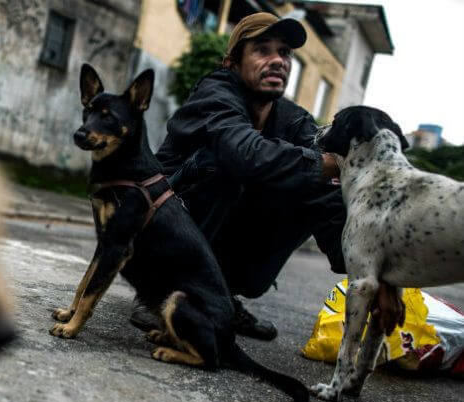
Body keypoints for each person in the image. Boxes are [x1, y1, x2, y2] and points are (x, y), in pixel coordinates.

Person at [130, 12, 346, 340]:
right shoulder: (214, 95)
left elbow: (327, 192)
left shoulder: (294, 121)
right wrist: (333, 163)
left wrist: (365, 275)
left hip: (223, 254)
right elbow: (246, 153)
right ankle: (161, 293)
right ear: (232, 62)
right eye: (262, 50)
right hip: (153, 235)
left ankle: (218, 299)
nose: (278, 61)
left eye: (285, 53)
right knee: (226, 164)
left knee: (311, 180)